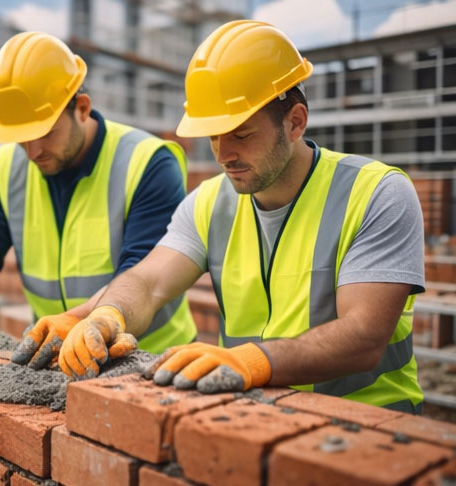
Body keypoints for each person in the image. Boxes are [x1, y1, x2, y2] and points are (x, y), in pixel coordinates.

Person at [61, 20, 424, 413]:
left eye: (240, 134)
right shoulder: (209, 203)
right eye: (213, 136)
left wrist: (253, 361)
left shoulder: (376, 193)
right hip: (255, 416)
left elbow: (365, 336)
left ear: (295, 122)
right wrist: (107, 315)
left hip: (373, 426)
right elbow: (148, 283)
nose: (222, 154)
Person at [0, 31, 197, 370]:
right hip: (60, 358)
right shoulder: (6, 169)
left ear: (81, 108)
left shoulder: (147, 162)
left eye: (45, 133)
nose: (32, 152)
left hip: (152, 359)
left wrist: (76, 319)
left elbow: (141, 274)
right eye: (21, 138)